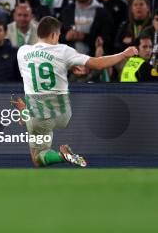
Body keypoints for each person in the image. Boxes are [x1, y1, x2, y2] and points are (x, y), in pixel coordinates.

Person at [14, 16, 139, 168]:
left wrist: (64, 66)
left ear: (38, 33)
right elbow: (98, 64)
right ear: (54, 34)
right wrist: (123, 54)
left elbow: (39, 67)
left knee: (37, 157)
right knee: (34, 120)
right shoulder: (64, 51)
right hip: (63, 114)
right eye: (58, 35)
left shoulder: (22, 52)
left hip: (40, 117)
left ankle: (26, 115)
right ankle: (26, 115)